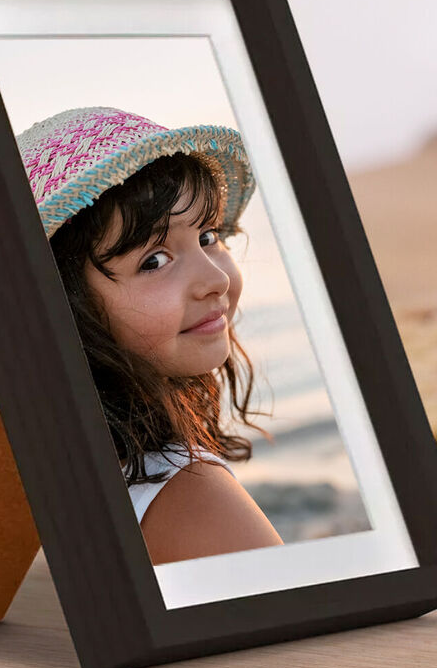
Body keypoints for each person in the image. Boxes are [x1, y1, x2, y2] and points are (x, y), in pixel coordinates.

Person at [16, 106, 284, 565]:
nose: (216, 279)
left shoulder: (64, 476)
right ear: (67, 309)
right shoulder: (193, 500)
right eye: (154, 261)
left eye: (207, 236)